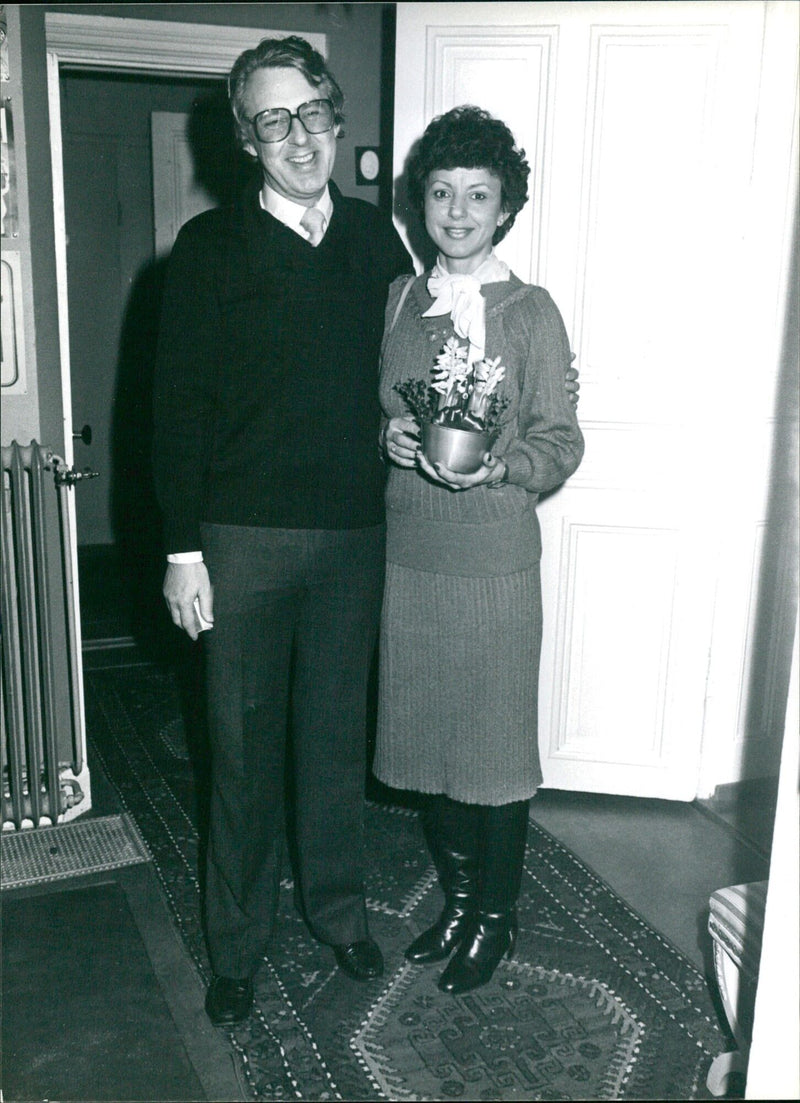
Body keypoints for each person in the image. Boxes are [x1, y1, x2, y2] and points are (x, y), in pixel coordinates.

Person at [151, 35, 413, 1027]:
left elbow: (395, 376)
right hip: (240, 542)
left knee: (334, 741)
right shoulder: (210, 250)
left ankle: (339, 910)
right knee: (243, 752)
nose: (297, 135)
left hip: (354, 536)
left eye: (309, 111)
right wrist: (182, 550)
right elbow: (173, 407)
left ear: (335, 120)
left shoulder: (377, 242)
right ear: (245, 141)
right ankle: (237, 947)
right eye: (273, 118)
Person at [374, 105, 585, 995]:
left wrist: (502, 465)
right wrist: (387, 434)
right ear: (421, 201)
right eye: (441, 192)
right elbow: (389, 404)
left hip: (493, 564)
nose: (457, 211)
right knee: (423, 745)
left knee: (492, 755)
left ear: (505, 209)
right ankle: (458, 902)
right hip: (411, 555)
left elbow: (562, 440)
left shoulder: (531, 312)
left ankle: (496, 915)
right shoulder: (399, 298)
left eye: (478, 195)